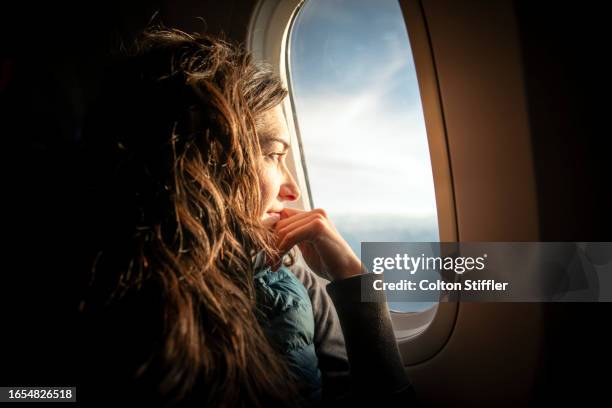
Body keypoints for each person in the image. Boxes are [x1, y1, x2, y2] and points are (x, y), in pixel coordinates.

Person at [76, 26, 418, 407]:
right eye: (273, 155)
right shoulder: (99, 289)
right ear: (201, 162)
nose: (294, 190)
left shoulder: (290, 271)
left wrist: (354, 279)